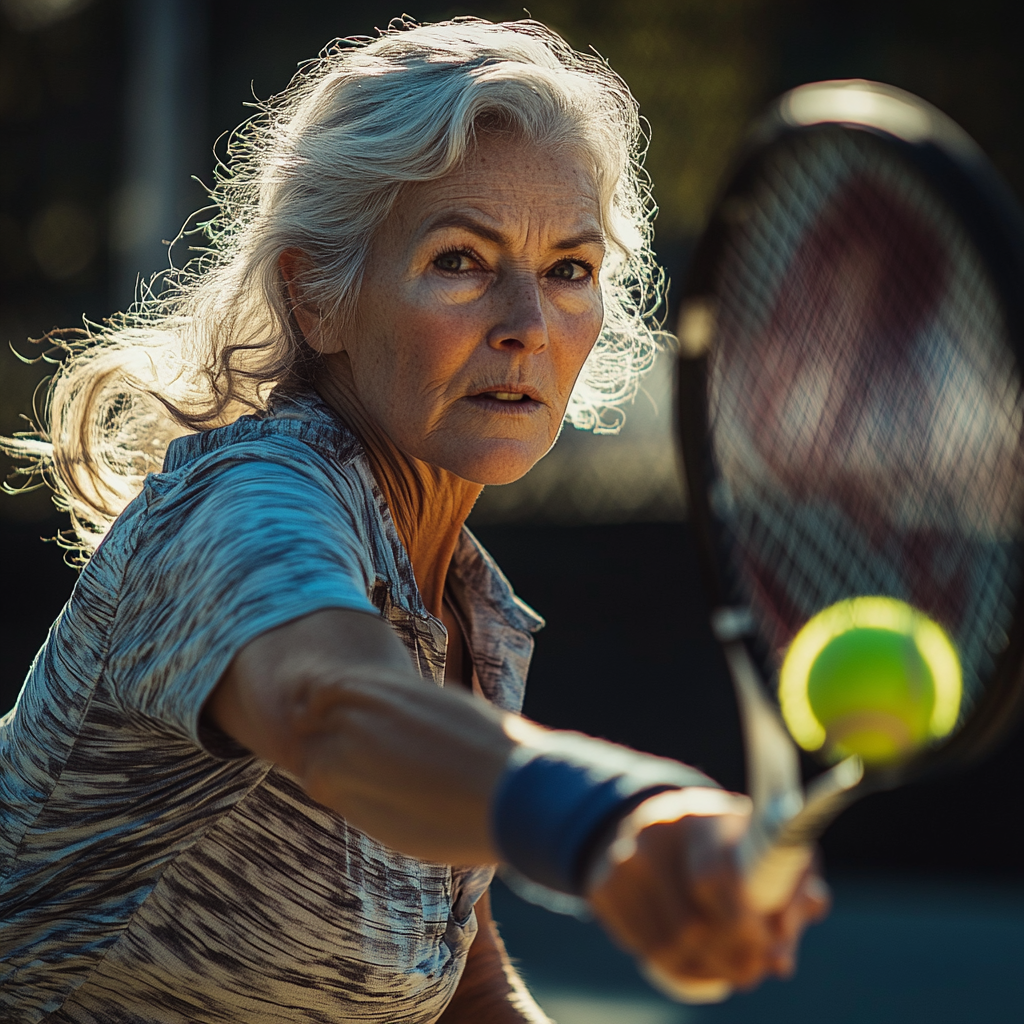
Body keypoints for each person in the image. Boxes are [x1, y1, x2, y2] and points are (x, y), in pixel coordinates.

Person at [0, 18, 828, 1023]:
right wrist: (610, 815)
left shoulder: (469, 614)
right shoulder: (242, 501)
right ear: (319, 300)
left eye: (569, 267)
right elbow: (330, 710)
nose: (527, 320)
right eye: (461, 260)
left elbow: (459, 983)